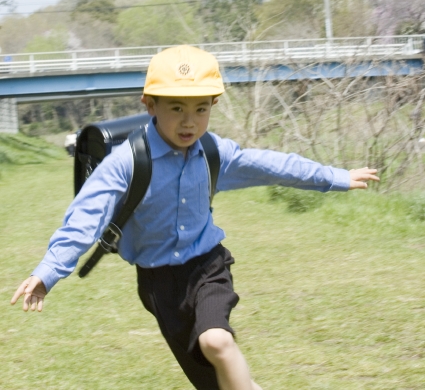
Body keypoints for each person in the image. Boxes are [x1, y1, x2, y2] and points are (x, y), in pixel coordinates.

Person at [11, 45, 379, 390]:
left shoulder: (211, 151)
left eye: (201, 109)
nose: (190, 122)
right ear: (150, 105)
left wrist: (334, 177)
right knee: (217, 381)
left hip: (207, 266)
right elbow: (85, 218)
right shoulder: (126, 163)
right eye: (176, 109)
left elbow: (270, 165)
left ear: (213, 105)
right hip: (158, 285)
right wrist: (48, 272)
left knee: (217, 341)